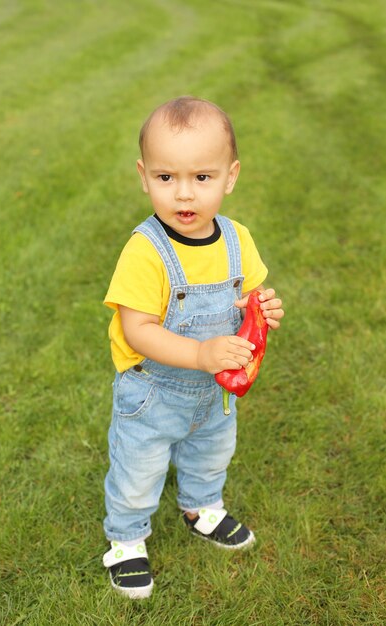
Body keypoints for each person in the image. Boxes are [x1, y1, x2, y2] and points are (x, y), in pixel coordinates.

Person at [102, 96, 284, 599]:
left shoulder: (236, 239)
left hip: (215, 394)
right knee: (139, 468)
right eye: (166, 178)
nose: (184, 193)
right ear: (144, 176)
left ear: (230, 176)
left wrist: (262, 309)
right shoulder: (146, 251)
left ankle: (202, 507)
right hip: (153, 395)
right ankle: (126, 539)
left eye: (201, 178)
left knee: (211, 453)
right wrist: (201, 355)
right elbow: (138, 329)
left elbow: (247, 295)